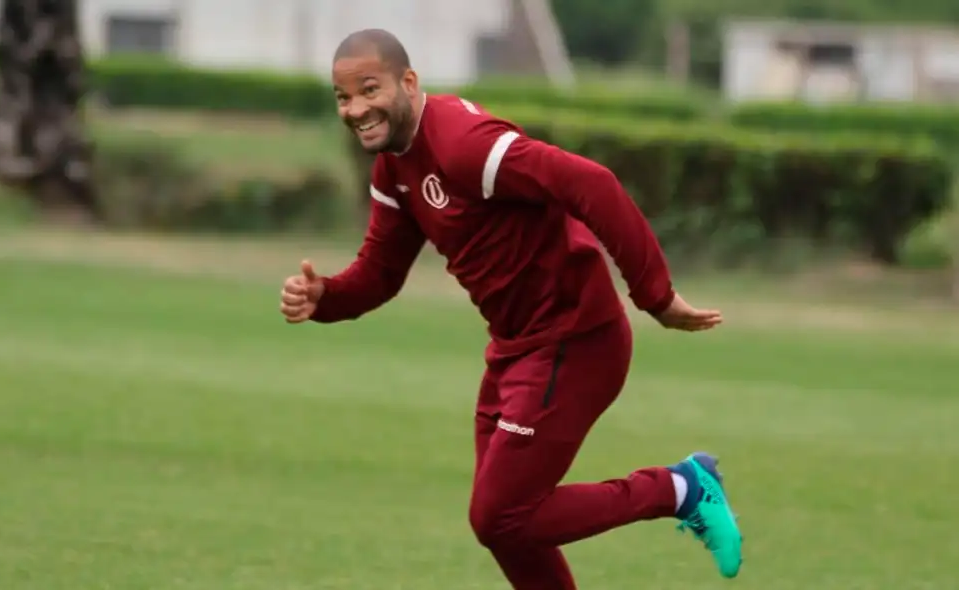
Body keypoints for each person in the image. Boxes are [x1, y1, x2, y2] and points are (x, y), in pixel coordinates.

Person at [280, 28, 743, 589]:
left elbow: (592, 183)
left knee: (500, 516)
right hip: (516, 351)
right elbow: (379, 274)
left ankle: (682, 488)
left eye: (368, 90)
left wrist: (656, 295)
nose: (355, 109)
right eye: (342, 97)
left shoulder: (464, 144)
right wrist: (325, 296)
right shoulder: (394, 170)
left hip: (575, 340)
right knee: (509, 528)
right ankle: (681, 488)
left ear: (408, 83)